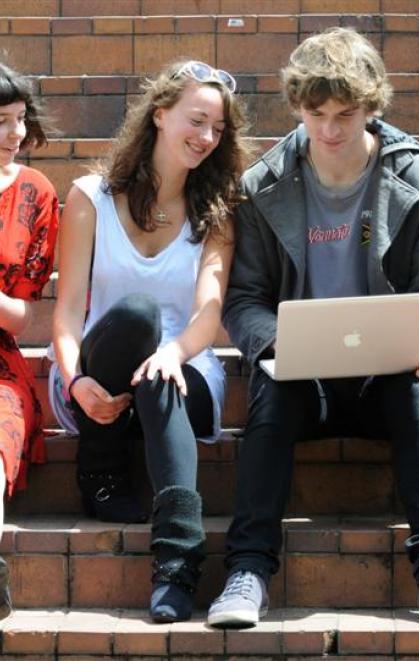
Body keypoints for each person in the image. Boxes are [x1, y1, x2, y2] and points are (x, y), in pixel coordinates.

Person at [207, 28, 419, 629]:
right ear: (298, 108)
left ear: (373, 105)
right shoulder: (262, 185)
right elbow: (245, 299)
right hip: (303, 377)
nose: (330, 130)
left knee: (413, 394)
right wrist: (273, 343)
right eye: (316, 114)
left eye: (347, 114)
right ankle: (247, 571)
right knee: (270, 394)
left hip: (386, 373)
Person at [49, 60, 249, 622]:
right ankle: (101, 465)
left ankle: (177, 563)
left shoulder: (217, 212)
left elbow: (209, 317)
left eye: (217, 129)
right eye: (196, 120)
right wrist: (76, 378)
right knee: (135, 318)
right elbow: (66, 314)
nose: (206, 137)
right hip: (98, 372)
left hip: (185, 370)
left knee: (161, 370)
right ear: (159, 115)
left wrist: (174, 352)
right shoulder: (91, 197)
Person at [0, 62, 59, 620]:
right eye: (0, 121)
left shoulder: (34, 192)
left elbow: (20, 316)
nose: (15, 134)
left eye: (19, 119)